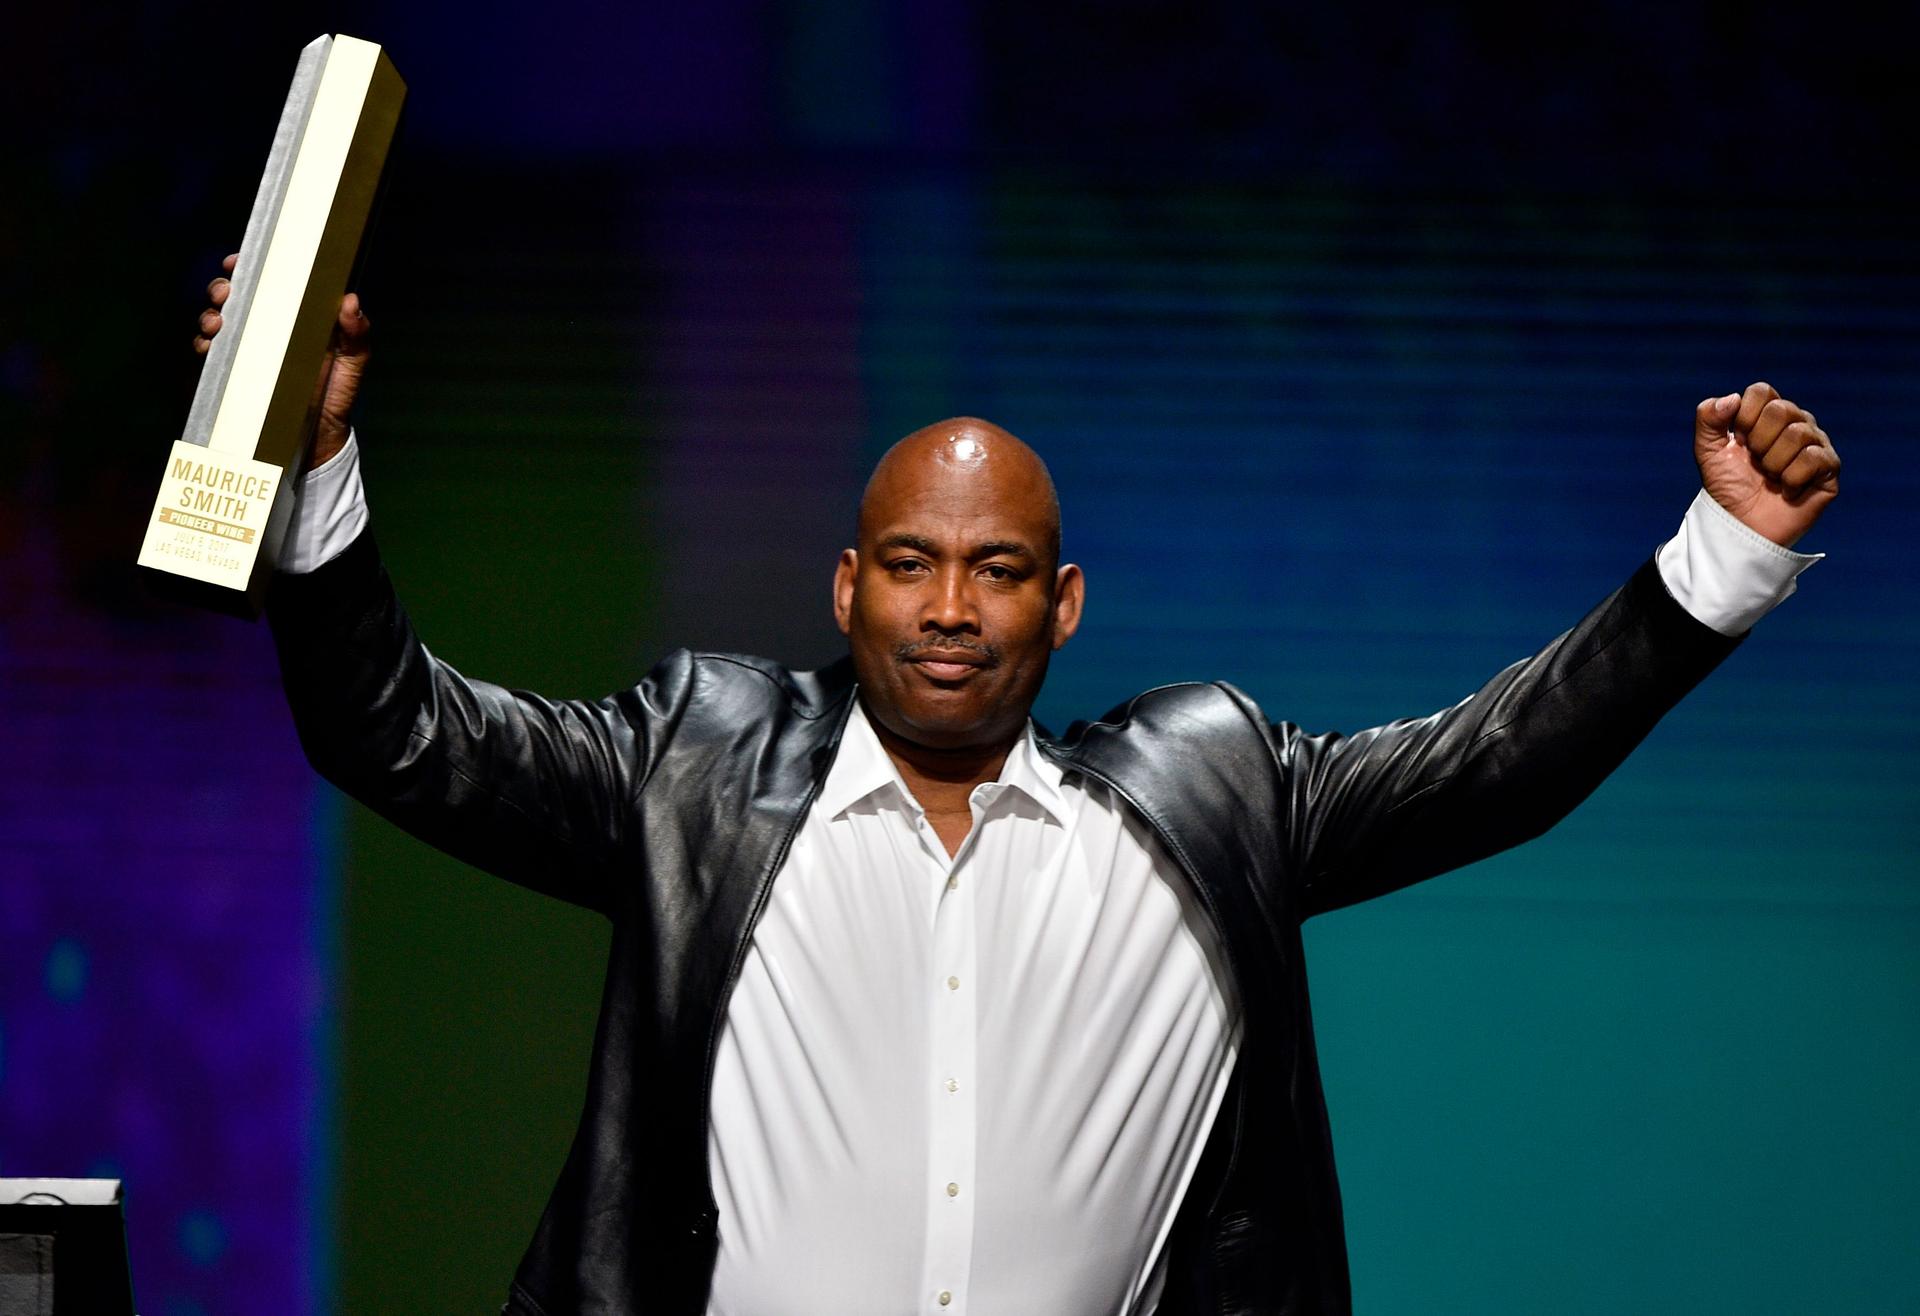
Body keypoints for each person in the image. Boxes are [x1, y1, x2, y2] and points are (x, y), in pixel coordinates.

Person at [197, 258, 1839, 1316]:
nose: (952, 608)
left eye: (997, 572)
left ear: (1062, 606)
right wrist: (313, 456)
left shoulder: (1211, 798)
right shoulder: (689, 767)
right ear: (847, 590)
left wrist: (1718, 564)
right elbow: (396, 732)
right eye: (912, 565)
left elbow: (1493, 768)